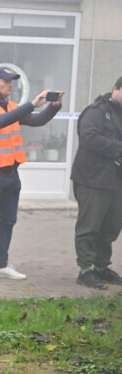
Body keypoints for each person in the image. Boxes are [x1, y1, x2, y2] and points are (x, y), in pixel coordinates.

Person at [0, 67, 61, 284]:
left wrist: (54, 107)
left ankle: (1, 265)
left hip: (12, 174)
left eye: (12, 81)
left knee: (9, 221)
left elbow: (37, 121)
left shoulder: (10, 106)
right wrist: (31, 104)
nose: (11, 84)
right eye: (6, 81)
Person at [71, 76, 122, 288]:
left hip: (115, 181)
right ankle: (86, 269)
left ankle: (101, 267)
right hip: (92, 179)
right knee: (90, 227)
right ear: (116, 89)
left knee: (110, 227)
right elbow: (89, 138)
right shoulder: (97, 111)